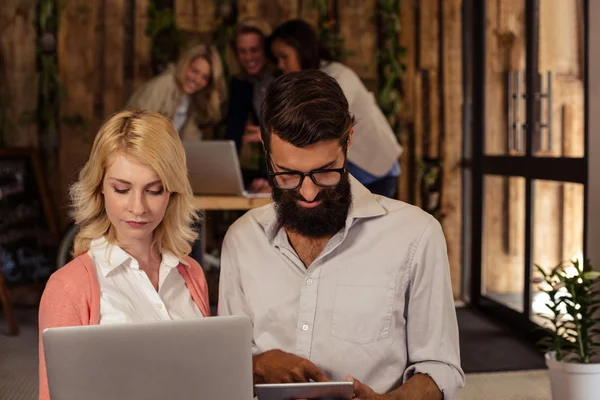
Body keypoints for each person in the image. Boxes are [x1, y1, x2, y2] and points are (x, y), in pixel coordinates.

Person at [218, 71, 464, 399]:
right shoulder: (242, 239)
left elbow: (440, 367)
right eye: (288, 174)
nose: (307, 192)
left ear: (348, 140)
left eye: (324, 172)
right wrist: (258, 363)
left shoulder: (416, 236)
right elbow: (224, 359)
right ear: (266, 148)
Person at [38, 110, 210, 400]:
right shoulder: (68, 288)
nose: (138, 207)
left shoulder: (190, 273)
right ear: (100, 188)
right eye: (122, 189)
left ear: (172, 193)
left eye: (154, 191)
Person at [267, 19, 402, 198]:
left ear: (302, 50)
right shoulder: (305, 83)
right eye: (277, 59)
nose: (280, 65)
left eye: (284, 57)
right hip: (352, 166)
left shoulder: (338, 75)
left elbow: (319, 117)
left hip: (374, 167)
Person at [127, 44, 227, 141]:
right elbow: (135, 126)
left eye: (204, 77)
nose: (197, 80)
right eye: (194, 71)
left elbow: (191, 141)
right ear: (185, 65)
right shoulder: (162, 85)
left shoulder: (194, 99)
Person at [225, 17, 279, 193]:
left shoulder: (282, 77)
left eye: (254, 50)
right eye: (242, 51)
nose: (248, 57)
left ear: (267, 50)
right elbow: (234, 131)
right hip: (267, 164)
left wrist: (270, 177)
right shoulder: (241, 82)